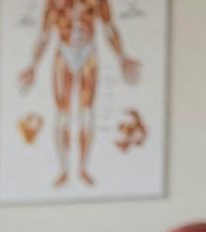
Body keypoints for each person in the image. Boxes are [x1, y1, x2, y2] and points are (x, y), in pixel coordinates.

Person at [18, 0, 141, 187]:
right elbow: (44, 35)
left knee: (86, 113)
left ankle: (83, 168)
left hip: (88, 52)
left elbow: (109, 28)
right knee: (63, 114)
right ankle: (64, 169)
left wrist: (121, 56)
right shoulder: (54, 3)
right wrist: (33, 65)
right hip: (64, 52)